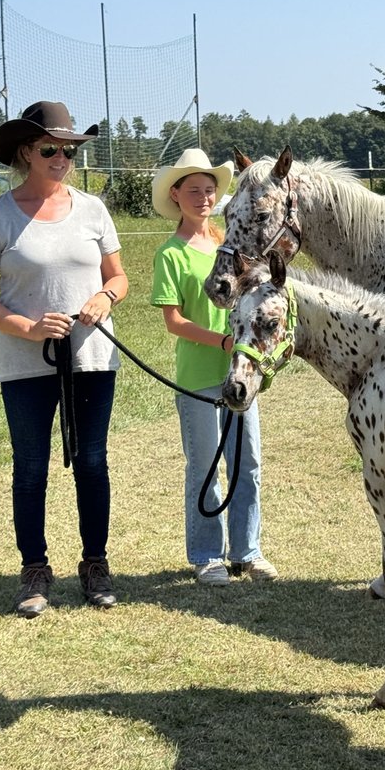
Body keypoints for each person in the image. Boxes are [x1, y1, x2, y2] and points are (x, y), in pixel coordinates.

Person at [0, 100, 126, 618]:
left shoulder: (94, 210)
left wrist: (106, 298)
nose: (62, 157)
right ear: (26, 152)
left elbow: (118, 277)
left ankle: (95, 564)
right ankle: (35, 569)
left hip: (93, 357)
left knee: (92, 463)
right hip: (24, 363)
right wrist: (26, 327)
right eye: (51, 149)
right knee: (31, 468)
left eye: (70, 150)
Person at [150, 148, 277, 586]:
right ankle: (207, 555)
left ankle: (247, 551)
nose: (203, 198)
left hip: (241, 374)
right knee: (205, 467)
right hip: (198, 379)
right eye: (194, 191)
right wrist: (223, 340)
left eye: (209, 191)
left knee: (249, 463)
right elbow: (175, 321)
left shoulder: (232, 248)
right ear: (176, 195)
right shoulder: (170, 254)